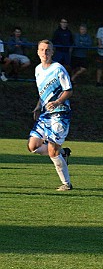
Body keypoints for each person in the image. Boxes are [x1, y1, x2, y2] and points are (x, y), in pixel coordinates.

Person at [27, 40, 73, 191]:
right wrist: (38, 106)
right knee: (32, 146)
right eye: (42, 50)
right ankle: (63, 152)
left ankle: (66, 184)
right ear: (38, 52)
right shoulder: (38, 69)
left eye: (48, 50)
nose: (45, 53)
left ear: (52, 52)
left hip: (60, 114)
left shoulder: (58, 68)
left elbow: (69, 90)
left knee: (52, 151)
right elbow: (43, 93)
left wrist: (58, 102)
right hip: (45, 114)